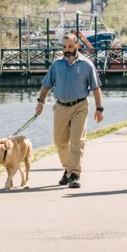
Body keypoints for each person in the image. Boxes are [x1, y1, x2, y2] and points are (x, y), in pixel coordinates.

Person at [35, 33, 104, 189]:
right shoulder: (56, 65)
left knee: (76, 141)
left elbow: (96, 88)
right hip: (60, 107)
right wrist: (40, 102)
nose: (67, 50)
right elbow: (46, 85)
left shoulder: (87, 65)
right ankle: (68, 168)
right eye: (64, 47)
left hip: (80, 106)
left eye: (70, 46)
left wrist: (99, 108)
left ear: (77, 46)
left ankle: (74, 174)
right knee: (59, 142)